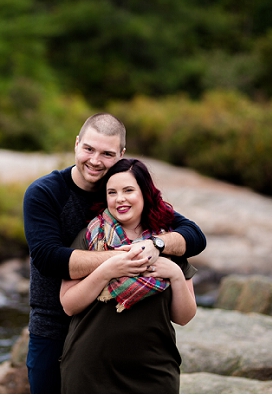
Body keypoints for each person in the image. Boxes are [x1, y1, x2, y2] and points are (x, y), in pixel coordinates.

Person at [23, 113, 206, 393]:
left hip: (136, 348)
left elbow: (193, 235)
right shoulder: (46, 193)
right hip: (53, 328)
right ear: (76, 144)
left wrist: (156, 246)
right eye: (88, 149)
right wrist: (125, 259)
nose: (95, 161)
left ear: (121, 154)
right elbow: (48, 258)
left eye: (106, 153)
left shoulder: (121, 192)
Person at [59, 157, 198, 393]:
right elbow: (69, 305)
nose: (120, 198)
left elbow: (184, 317)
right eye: (112, 192)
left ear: (145, 193)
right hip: (90, 371)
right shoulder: (89, 237)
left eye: (128, 190)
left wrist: (175, 274)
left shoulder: (168, 241)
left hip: (154, 372)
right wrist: (108, 270)